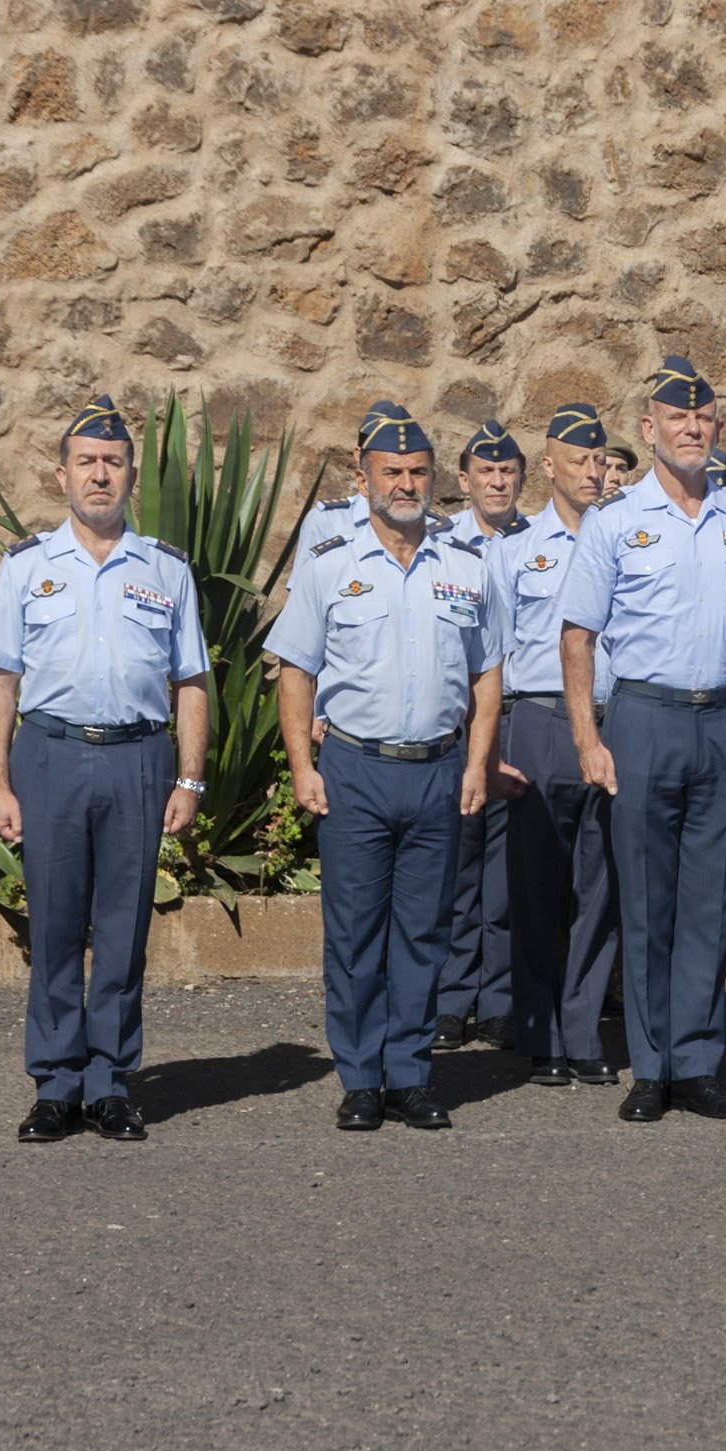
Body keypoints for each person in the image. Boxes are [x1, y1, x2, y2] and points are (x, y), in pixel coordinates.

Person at [0, 395, 211, 1144]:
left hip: (139, 760)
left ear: (131, 476)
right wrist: (0, 783)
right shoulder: (25, 567)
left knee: (121, 928)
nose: (99, 474)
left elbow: (192, 682)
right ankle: (54, 1085)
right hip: (49, 757)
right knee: (51, 924)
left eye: (112, 462)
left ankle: (111, 1082)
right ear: (62, 474)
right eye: (87, 462)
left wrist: (190, 777)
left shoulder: (167, 569)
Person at [558, 354, 726, 1124]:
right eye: (676, 418)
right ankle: (650, 1067)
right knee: (647, 900)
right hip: (645, 719)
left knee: (709, 900)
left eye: (703, 418)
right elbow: (578, 637)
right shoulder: (615, 523)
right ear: (649, 430)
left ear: (717, 429)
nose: (692, 429)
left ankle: (697, 1062)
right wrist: (588, 738)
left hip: (724, 719)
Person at [267, 400, 503, 1132]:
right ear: (363, 476)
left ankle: (410, 1074)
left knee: (424, 931)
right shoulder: (332, 567)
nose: (407, 484)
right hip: (356, 770)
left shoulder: (467, 567)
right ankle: (360, 1076)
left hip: (437, 766)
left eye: (418, 472)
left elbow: (487, 673)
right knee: (357, 931)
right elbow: (295, 672)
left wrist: (477, 762)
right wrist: (304, 764)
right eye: (392, 471)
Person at [487, 402, 619, 1089]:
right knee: (537, 884)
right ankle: (538, 1028)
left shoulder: (627, 540)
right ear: (548, 466)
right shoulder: (515, 550)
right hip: (538, 720)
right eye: (579, 460)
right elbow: (490, 651)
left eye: (600, 460)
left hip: (612, 719)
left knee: (603, 886)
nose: (594, 471)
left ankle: (582, 1023)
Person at [434, 419, 526, 1053]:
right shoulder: (442, 546)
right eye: (485, 472)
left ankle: (499, 1000)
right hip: (464, 722)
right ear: (463, 480)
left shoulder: (545, 540)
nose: (498, 481)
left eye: (507, 471)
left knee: (507, 871)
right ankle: (449, 1001)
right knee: (455, 866)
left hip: (522, 717)